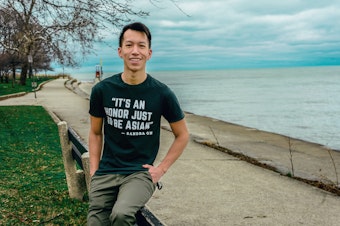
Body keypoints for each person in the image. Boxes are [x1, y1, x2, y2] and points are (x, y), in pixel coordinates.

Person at [87, 22, 189, 226]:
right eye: (129, 45)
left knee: (122, 215)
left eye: (141, 46)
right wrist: (94, 170)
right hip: (106, 171)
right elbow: (96, 133)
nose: (135, 51)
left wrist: (161, 169)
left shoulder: (162, 93)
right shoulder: (102, 90)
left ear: (149, 53)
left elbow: (183, 135)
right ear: (120, 51)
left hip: (140, 173)